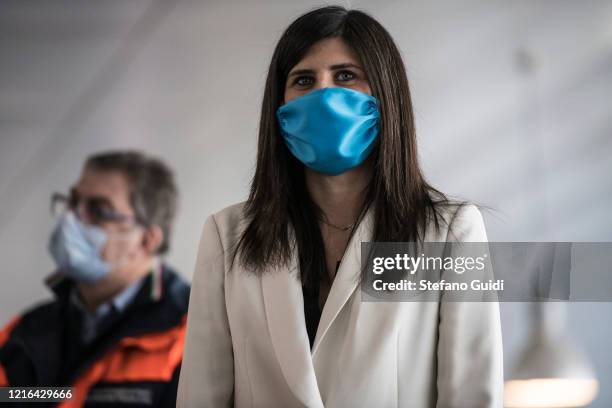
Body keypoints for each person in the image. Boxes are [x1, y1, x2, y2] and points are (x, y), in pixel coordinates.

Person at [177, 6, 503, 408]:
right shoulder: (227, 236)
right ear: (279, 104)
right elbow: (200, 397)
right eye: (303, 80)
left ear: (386, 94)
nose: (324, 95)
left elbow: (472, 396)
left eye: (345, 76)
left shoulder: (453, 232)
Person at [0, 151, 189, 407]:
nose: (72, 219)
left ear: (146, 240)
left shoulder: (192, 336)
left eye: (99, 210)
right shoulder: (23, 334)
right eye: (73, 202)